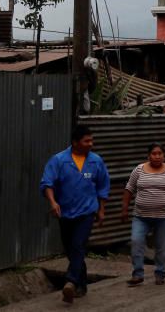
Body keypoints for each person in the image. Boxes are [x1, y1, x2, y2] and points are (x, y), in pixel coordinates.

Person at [40, 125, 111, 304]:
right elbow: (47, 183)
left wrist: (101, 209)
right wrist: (53, 202)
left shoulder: (96, 161)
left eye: (91, 140)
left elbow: (103, 186)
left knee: (78, 245)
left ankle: (71, 281)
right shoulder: (59, 160)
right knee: (72, 249)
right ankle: (82, 285)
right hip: (65, 212)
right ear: (75, 142)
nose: (91, 144)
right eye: (87, 141)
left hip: (87, 212)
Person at [121, 142, 165, 286]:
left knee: (162, 245)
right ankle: (138, 274)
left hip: (163, 216)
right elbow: (129, 189)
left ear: (164, 155)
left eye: (160, 153)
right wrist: (124, 209)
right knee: (136, 241)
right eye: (154, 154)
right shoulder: (139, 170)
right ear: (148, 155)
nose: (157, 156)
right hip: (141, 216)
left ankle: (160, 273)